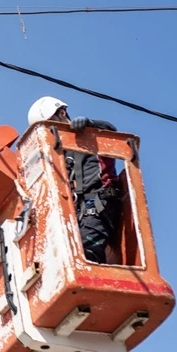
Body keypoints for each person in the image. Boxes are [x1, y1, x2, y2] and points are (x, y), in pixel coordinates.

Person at [27, 96, 121, 264]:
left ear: (62, 113)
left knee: (86, 250)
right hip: (78, 210)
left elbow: (112, 132)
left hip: (97, 201)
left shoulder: (89, 136)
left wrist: (91, 125)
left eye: (50, 126)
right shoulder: (58, 157)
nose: (49, 133)